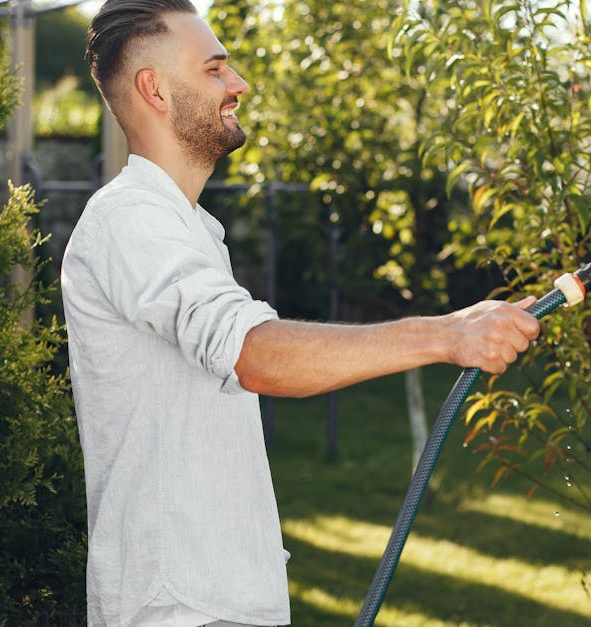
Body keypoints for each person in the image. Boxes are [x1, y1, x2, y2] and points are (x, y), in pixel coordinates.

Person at [61, 1, 541, 625]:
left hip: (211, 600)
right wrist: (448, 335)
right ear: (154, 89)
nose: (238, 84)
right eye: (214, 69)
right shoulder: (130, 220)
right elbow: (254, 354)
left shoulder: (189, 230)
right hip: (181, 609)